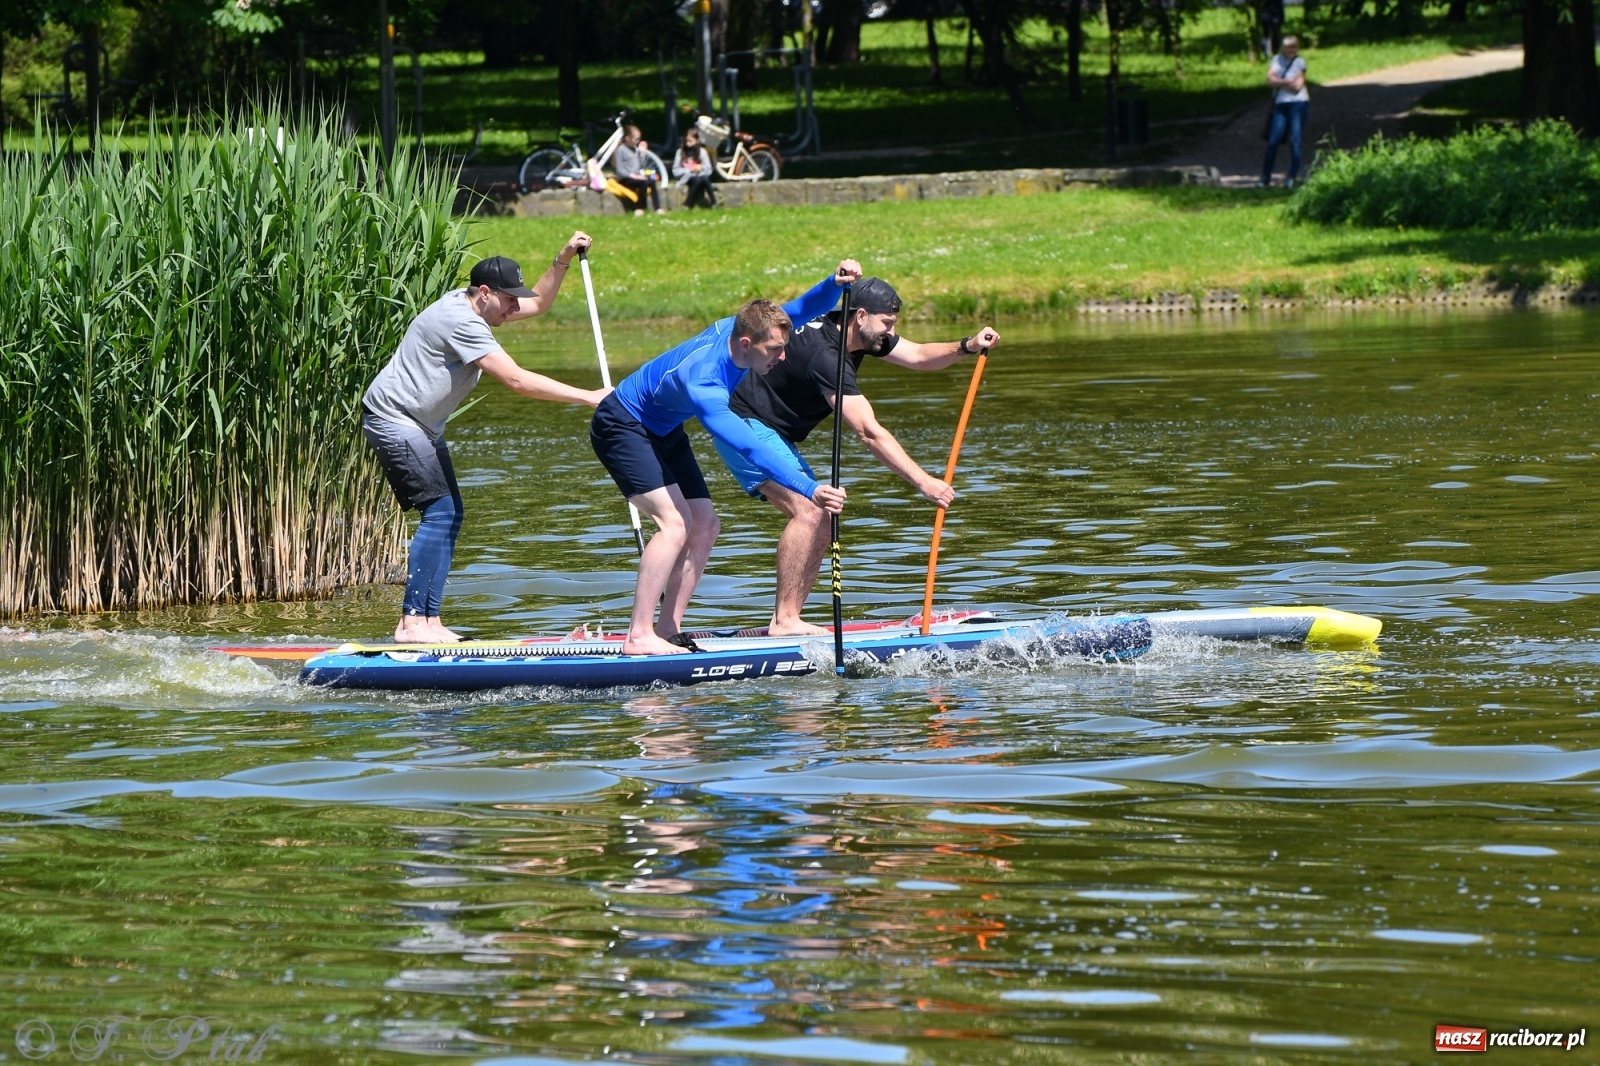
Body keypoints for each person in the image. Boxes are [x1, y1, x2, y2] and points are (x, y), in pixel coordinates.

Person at [590, 259, 863, 656]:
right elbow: (750, 446)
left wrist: (833, 283)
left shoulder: (746, 329)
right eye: (775, 350)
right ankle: (638, 635)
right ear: (748, 344)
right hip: (622, 426)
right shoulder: (705, 379)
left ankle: (668, 630)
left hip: (664, 429)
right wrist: (809, 487)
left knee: (706, 523)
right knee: (674, 524)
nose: (782, 358)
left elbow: (803, 308)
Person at [712, 277, 1000, 635]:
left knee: (824, 514)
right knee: (811, 509)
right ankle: (785, 620)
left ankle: (786, 619)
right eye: (887, 324)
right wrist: (925, 483)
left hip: (775, 432)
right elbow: (868, 432)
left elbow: (918, 356)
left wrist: (966, 346)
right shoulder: (826, 355)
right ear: (860, 315)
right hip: (743, 423)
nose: (890, 332)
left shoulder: (858, 331)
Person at [362, 235, 609, 645]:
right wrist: (587, 396)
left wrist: (561, 259)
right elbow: (515, 379)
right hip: (395, 418)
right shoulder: (463, 322)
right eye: (509, 299)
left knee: (450, 514)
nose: (515, 308)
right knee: (439, 513)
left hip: (422, 425)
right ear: (484, 293)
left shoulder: (473, 304)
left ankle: (430, 621)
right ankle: (410, 624)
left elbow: (540, 304)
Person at [1260, 36, 1309, 189]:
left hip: (1298, 104)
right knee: (1273, 140)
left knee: (1295, 140)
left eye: (1294, 47)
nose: (1291, 50)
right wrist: (1288, 81)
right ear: (1282, 48)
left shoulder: (1300, 62)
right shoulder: (1276, 60)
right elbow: (1269, 80)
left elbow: (1298, 86)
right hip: (1280, 104)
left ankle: (1292, 176)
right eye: (1288, 47)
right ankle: (1265, 177)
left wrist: (1279, 82)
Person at [612, 124, 663, 216]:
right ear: (627, 138)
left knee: (651, 181)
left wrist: (642, 154)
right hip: (625, 179)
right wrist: (633, 175)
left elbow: (639, 165)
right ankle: (640, 208)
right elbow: (619, 169)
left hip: (636, 177)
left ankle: (658, 208)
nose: (637, 141)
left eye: (639, 139)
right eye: (635, 139)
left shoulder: (635, 149)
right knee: (643, 183)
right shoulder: (621, 150)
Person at [672, 128, 718, 210]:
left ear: (697, 140)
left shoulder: (702, 151)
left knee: (704, 179)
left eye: (690, 141)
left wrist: (701, 168)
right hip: (686, 177)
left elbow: (709, 169)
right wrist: (690, 170)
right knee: (698, 180)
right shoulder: (680, 152)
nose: (688, 143)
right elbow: (675, 171)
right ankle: (687, 204)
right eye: (686, 141)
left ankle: (714, 202)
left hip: (700, 175)